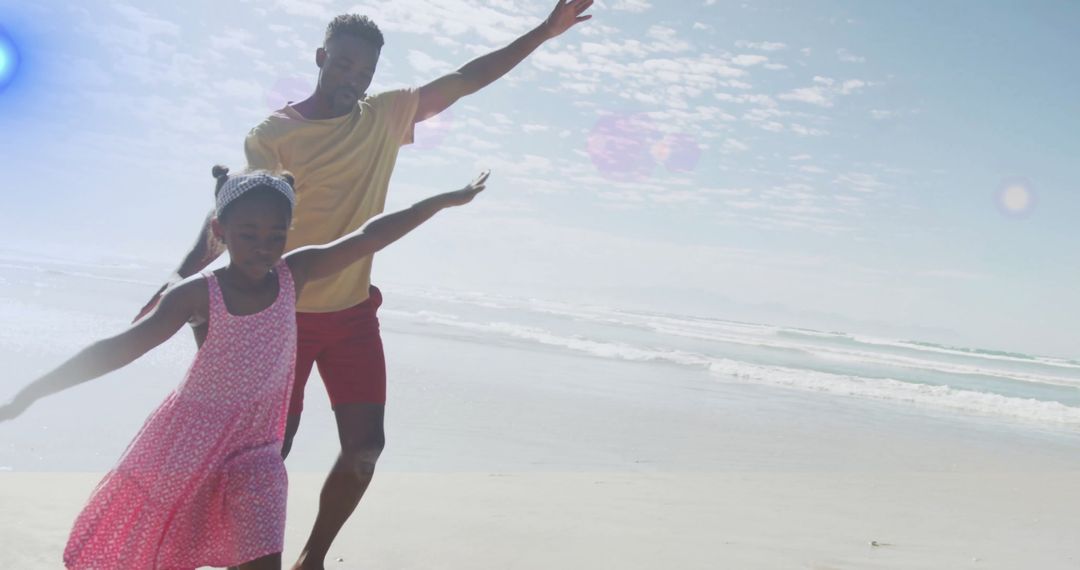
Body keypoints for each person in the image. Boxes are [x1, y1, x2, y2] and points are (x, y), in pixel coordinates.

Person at [133, 3, 593, 568]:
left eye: (364, 71)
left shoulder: (384, 115)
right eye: (343, 64)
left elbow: (469, 78)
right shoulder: (275, 135)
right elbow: (234, 221)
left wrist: (545, 32)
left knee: (365, 451)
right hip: (282, 316)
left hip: (352, 315)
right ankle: (233, 555)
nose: (353, 79)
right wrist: (179, 281)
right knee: (267, 452)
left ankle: (313, 559)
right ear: (322, 57)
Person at [1, 168, 488, 570]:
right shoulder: (196, 296)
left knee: (261, 558)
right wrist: (33, 393)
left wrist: (444, 200)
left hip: (256, 450)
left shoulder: (293, 273)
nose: (264, 246)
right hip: (190, 446)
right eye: (249, 234)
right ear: (221, 232)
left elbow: (369, 236)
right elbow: (119, 348)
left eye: (276, 235)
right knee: (159, 551)